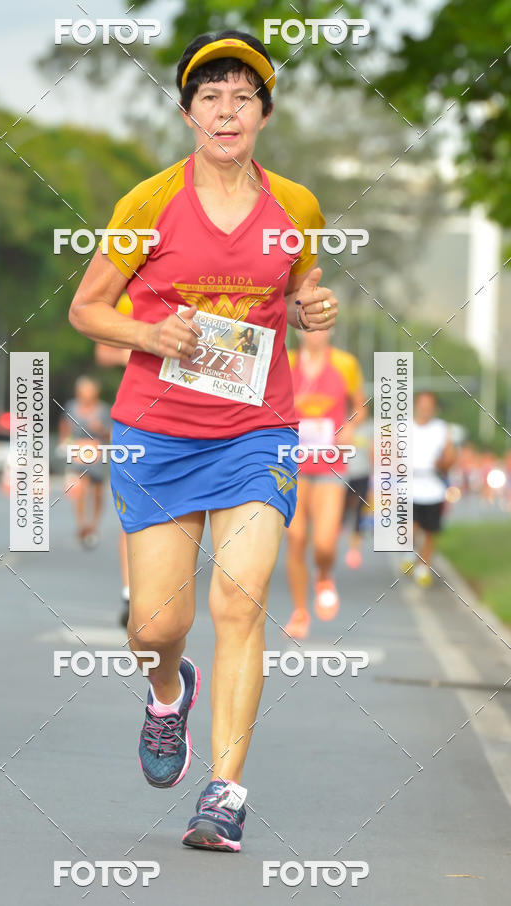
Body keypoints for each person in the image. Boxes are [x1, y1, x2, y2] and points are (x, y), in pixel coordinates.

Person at [68, 30, 339, 852]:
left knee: (239, 599)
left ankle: (225, 793)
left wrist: (314, 308)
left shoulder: (296, 207)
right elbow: (87, 308)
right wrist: (151, 335)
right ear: (188, 113)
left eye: (243, 98)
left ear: (263, 114)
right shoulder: (149, 203)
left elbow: (302, 287)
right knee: (156, 625)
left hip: (256, 429)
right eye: (211, 97)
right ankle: (166, 692)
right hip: (156, 433)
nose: (227, 111)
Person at [284, 329, 366, 638]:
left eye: (321, 326)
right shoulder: (285, 362)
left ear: (331, 329)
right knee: (295, 538)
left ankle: (323, 574)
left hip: (330, 462)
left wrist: (349, 426)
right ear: (298, 328)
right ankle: (300, 612)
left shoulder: (345, 363)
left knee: (324, 542)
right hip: (291, 463)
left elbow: (360, 406)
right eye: (308, 326)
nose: (315, 333)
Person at [94, 293, 133, 626]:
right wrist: (138, 346)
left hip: (201, 417)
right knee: (134, 512)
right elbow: (103, 351)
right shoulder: (128, 297)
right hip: (141, 413)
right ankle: (130, 592)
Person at [402, 390, 456, 586]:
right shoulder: (403, 427)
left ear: (434, 408)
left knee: (429, 532)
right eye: (422, 404)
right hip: (408, 485)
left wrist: (443, 463)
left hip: (433, 486)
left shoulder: (441, 429)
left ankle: (423, 568)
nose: (425, 408)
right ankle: (408, 553)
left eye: (429, 405)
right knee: (410, 527)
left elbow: (449, 457)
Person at [59, 376, 113, 549]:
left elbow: (111, 434)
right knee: (80, 488)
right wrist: (64, 442)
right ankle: (82, 524)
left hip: (97, 451)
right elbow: (64, 426)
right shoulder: (71, 407)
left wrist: (101, 429)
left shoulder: (103, 410)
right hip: (78, 451)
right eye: (84, 391)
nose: (86, 395)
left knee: (97, 491)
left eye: (90, 391)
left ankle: (94, 524)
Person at [343, 416, 373, 570]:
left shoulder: (369, 427)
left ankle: (354, 549)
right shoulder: (340, 423)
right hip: (342, 475)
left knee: (360, 512)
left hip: (363, 474)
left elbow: (374, 451)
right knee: (342, 510)